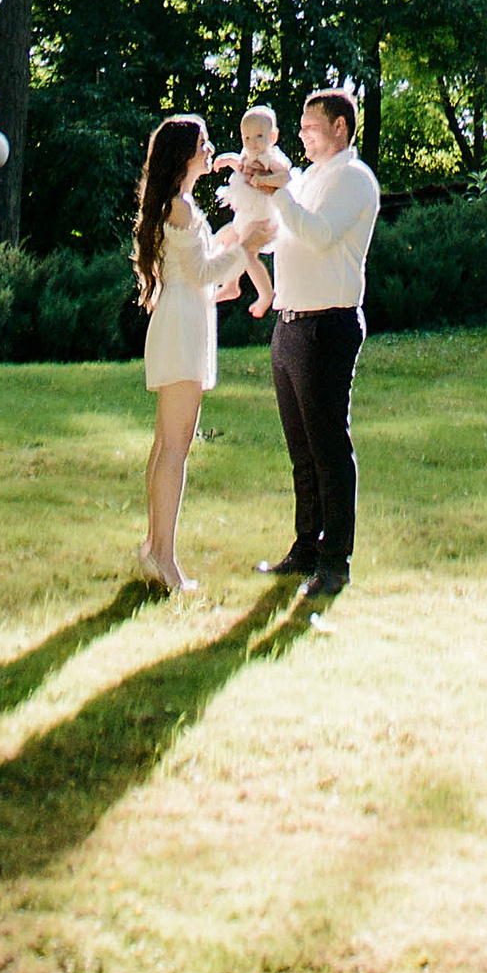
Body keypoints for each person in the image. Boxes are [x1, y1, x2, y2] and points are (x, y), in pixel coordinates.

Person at [247, 85, 381, 601]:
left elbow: (321, 236)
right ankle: (305, 547)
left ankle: (334, 562)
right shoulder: (310, 177)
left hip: (327, 325)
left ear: (340, 128)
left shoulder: (354, 178)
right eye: (300, 128)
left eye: (310, 127)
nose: (300, 135)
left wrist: (280, 192)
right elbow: (291, 234)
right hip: (290, 323)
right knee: (301, 450)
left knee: (328, 448)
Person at [131, 113, 246, 593]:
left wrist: (232, 247)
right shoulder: (179, 207)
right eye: (203, 144)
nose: (209, 150)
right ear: (184, 155)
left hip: (181, 319)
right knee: (174, 447)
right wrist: (248, 247)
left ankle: (154, 550)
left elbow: (198, 270)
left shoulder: (180, 206)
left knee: (166, 444)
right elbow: (200, 273)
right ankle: (165, 558)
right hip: (181, 326)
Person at [214, 101, 288, 319]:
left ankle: (266, 294)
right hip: (244, 216)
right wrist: (227, 159)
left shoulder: (269, 158)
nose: (252, 143)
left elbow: (285, 177)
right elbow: (240, 165)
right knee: (228, 240)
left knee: (246, 253)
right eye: (246, 138)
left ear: (273, 137)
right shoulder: (248, 155)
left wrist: (263, 180)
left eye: (259, 136)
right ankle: (231, 285)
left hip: (261, 218)